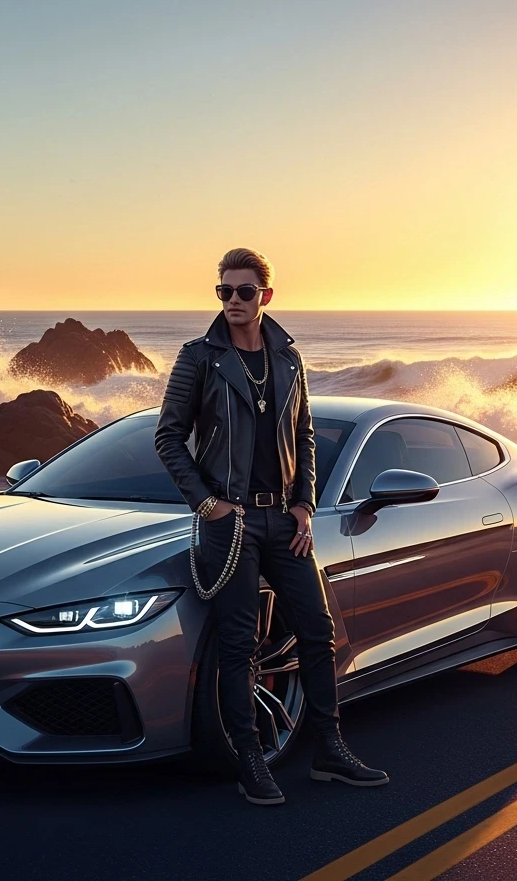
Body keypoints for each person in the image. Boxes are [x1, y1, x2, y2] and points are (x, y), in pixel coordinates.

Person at [154, 246, 388, 806]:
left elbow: (304, 434)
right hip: (230, 522)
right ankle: (251, 761)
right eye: (224, 291)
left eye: (244, 291)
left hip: (285, 519)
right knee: (240, 646)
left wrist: (305, 503)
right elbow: (168, 437)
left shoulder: (288, 357)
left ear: (266, 295)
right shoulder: (199, 358)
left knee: (318, 630)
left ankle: (329, 750)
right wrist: (207, 505)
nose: (232, 300)